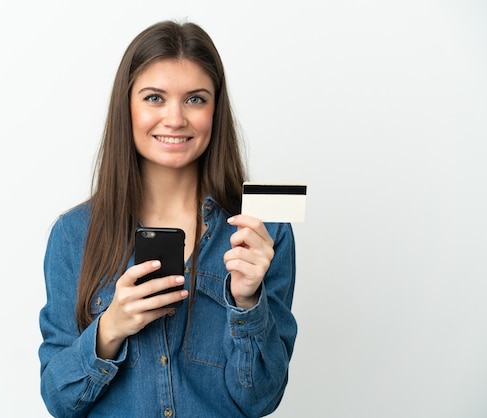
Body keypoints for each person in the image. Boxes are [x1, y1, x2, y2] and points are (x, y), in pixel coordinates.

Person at [38, 20, 298, 418]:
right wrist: (110, 329)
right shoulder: (73, 235)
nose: (175, 119)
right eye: (154, 98)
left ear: (216, 109)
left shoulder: (263, 230)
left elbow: (261, 399)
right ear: (127, 105)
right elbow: (59, 400)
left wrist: (247, 301)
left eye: (195, 99)